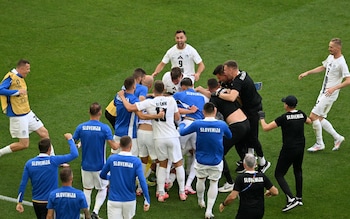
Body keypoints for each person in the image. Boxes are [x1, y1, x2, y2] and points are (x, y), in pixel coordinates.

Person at [117, 80, 187, 202]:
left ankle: (161, 193)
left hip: (158, 137)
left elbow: (129, 108)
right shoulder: (171, 100)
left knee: (162, 164)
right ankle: (182, 192)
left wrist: (123, 97)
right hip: (172, 136)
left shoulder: (149, 102)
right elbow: (177, 117)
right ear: (164, 89)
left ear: (154, 90)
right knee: (178, 163)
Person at [213, 61, 271, 173]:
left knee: (253, 137)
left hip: (253, 110)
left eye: (225, 70)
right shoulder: (239, 76)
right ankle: (248, 160)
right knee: (246, 136)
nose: (224, 73)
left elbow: (232, 98)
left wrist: (218, 94)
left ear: (230, 70)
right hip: (248, 108)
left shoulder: (238, 81)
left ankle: (263, 163)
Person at [258, 95, 312, 212]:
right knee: (297, 170)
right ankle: (299, 197)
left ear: (287, 105)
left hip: (288, 149)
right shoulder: (301, 114)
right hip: (300, 147)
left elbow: (266, 128)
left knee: (279, 174)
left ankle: (291, 199)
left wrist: (261, 118)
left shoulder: (284, 117)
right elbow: (309, 121)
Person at [179, 102, 232, 219]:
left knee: (201, 179)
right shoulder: (222, 124)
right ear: (215, 111)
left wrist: (182, 124)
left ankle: (200, 200)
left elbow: (182, 132)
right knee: (214, 182)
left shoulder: (197, 123)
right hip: (216, 160)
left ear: (203, 112)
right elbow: (229, 136)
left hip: (201, 159)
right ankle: (209, 211)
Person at [298, 38, 350, 152]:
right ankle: (338, 138)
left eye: (331, 47)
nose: (329, 49)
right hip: (324, 92)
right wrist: (307, 72)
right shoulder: (331, 57)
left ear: (338, 48)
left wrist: (334, 88)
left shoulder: (341, 62)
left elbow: (348, 80)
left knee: (312, 116)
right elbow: (323, 67)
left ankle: (319, 143)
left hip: (329, 94)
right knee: (320, 118)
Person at [73, 102, 119, 219]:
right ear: (100, 113)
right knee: (102, 188)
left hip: (85, 165)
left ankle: (87, 214)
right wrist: (123, 143)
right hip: (100, 166)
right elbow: (114, 146)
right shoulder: (104, 128)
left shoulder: (81, 127)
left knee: (87, 190)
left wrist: (79, 144)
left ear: (89, 112)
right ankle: (95, 211)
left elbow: (72, 143)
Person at [16, 133, 79, 219]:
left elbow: (23, 183)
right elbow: (74, 154)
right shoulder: (53, 161)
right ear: (49, 149)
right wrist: (70, 139)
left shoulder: (29, 163)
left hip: (36, 202)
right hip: (51, 202)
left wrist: (19, 202)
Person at [0, 59, 54, 157]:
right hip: (18, 115)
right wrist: (16, 92)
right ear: (21, 68)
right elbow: (0, 89)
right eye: (27, 69)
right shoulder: (11, 77)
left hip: (27, 112)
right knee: (23, 144)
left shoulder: (20, 77)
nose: (28, 71)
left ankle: (52, 159)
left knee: (44, 133)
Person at [100, 136, 150, 219]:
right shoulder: (136, 161)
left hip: (114, 199)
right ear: (131, 146)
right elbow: (142, 180)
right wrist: (147, 199)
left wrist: (110, 178)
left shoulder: (112, 159)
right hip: (129, 200)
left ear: (120, 145)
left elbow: (102, 175)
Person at [112, 76, 162, 156]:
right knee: (131, 158)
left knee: (114, 156)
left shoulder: (118, 96)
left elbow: (116, 104)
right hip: (129, 133)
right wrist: (157, 116)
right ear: (134, 86)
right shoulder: (134, 100)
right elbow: (141, 116)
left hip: (118, 130)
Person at [219, 153, 278, 219]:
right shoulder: (262, 176)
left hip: (245, 211)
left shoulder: (240, 178)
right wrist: (269, 192)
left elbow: (232, 197)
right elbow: (275, 192)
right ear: (255, 164)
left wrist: (224, 204)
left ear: (244, 165)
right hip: (259, 211)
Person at [173, 77, 206, 195]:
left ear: (183, 86)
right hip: (198, 127)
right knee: (197, 155)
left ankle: (167, 180)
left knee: (175, 153)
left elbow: (169, 106)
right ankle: (188, 184)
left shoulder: (179, 95)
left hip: (185, 124)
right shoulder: (201, 97)